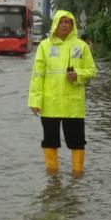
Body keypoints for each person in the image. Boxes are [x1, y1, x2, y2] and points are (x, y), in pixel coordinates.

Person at [29, 10, 98, 175]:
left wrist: (78, 75)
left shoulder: (82, 46)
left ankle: (77, 175)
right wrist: (35, 100)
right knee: (50, 142)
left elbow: (92, 70)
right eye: (61, 22)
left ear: (73, 25)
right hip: (50, 103)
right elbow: (37, 75)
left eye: (68, 22)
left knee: (77, 142)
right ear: (56, 24)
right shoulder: (45, 46)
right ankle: (52, 177)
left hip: (73, 105)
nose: (64, 25)